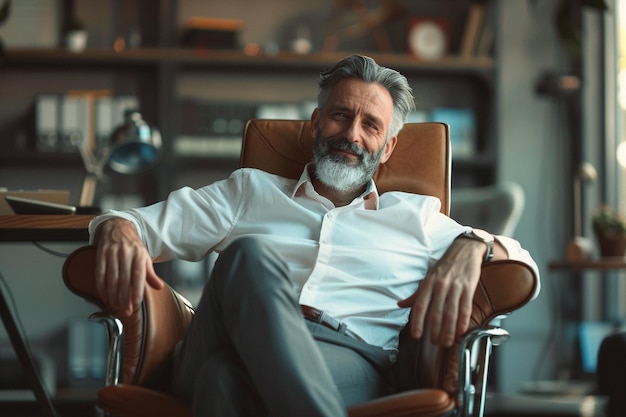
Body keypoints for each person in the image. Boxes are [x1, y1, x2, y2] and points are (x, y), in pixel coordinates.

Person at [89, 54, 540, 417]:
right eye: (340, 116)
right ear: (315, 122)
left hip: (347, 360)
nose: (351, 135)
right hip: (227, 337)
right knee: (247, 256)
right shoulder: (250, 190)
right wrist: (115, 228)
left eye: (371, 125)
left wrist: (474, 243)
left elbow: (523, 265)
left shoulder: (417, 218)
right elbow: (136, 223)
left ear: (389, 148)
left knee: (222, 381)